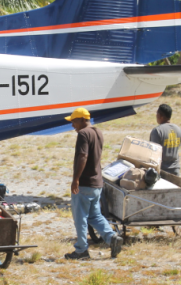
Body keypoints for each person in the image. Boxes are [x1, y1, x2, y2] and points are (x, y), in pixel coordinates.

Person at [64, 107, 122, 260]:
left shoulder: (83, 134)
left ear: (83, 120)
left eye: (74, 121)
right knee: (95, 215)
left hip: (84, 183)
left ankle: (81, 250)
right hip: (97, 182)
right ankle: (112, 238)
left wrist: (76, 179)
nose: (72, 125)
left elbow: (83, 156)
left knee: (80, 217)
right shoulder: (98, 132)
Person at [150, 104, 181, 176]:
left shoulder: (157, 131)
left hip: (162, 171)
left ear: (160, 115)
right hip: (175, 170)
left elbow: (153, 153)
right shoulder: (178, 129)